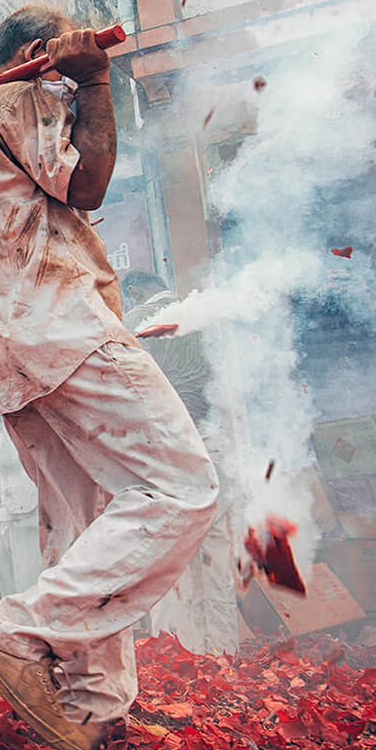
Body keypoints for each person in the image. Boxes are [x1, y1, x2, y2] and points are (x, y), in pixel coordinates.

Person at [0, 5, 217, 750]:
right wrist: (93, 80)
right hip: (66, 327)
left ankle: (93, 707)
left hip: (5, 361)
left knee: (82, 522)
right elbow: (88, 186)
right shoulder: (24, 99)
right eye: (61, 50)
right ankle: (17, 632)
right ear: (37, 54)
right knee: (182, 488)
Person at [119, 271, 238, 656]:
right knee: (214, 557)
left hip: (171, 450)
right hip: (216, 446)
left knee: (167, 556)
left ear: (133, 291)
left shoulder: (137, 320)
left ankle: (177, 657)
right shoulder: (210, 319)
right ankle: (222, 653)